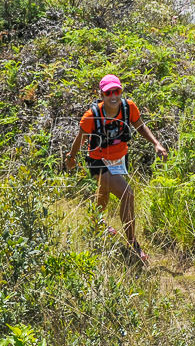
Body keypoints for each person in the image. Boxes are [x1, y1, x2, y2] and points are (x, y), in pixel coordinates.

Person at [64, 74, 168, 263]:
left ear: (121, 91)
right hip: (97, 161)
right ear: (102, 94)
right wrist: (71, 158)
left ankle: (97, 223)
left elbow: (139, 125)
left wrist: (156, 143)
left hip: (119, 158)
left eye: (117, 91)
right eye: (108, 92)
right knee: (127, 194)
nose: (113, 96)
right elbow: (80, 139)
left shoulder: (129, 108)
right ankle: (133, 244)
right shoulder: (91, 116)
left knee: (103, 192)